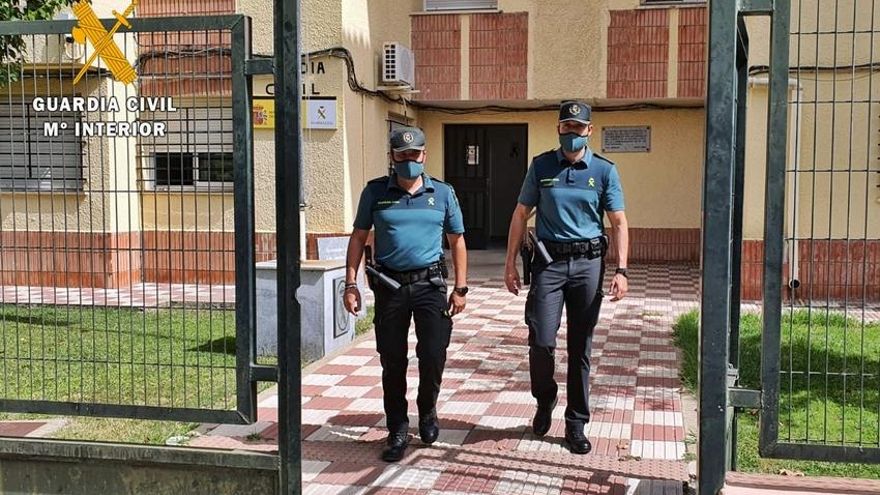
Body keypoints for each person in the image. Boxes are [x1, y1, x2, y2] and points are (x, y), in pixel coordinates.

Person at [504, 100, 630, 455]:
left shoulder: (605, 170)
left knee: (580, 346)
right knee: (542, 341)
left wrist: (621, 270)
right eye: (566, 127)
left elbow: (618, 222)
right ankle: (545, 400)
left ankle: (576, 422)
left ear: (589, 131)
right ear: (558, 128)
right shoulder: (541, 165)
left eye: (578, 128)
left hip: (588, 265)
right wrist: (509, 261)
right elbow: (520, 213)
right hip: (549, 265)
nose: (572, 133)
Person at [343, 126, 469, 462]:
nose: (409, 160)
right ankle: (397, 427)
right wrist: (351, 283)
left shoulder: (442, 193)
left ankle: (427, 412)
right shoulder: (375, 193)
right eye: (402, 155)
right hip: (389, 287)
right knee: (393, 361)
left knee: (432, 355)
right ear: (392, 157)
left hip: (429, 286)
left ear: (424, 156)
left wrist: (460, 288)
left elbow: (457, 241)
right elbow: (358, 238)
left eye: (414, 155)